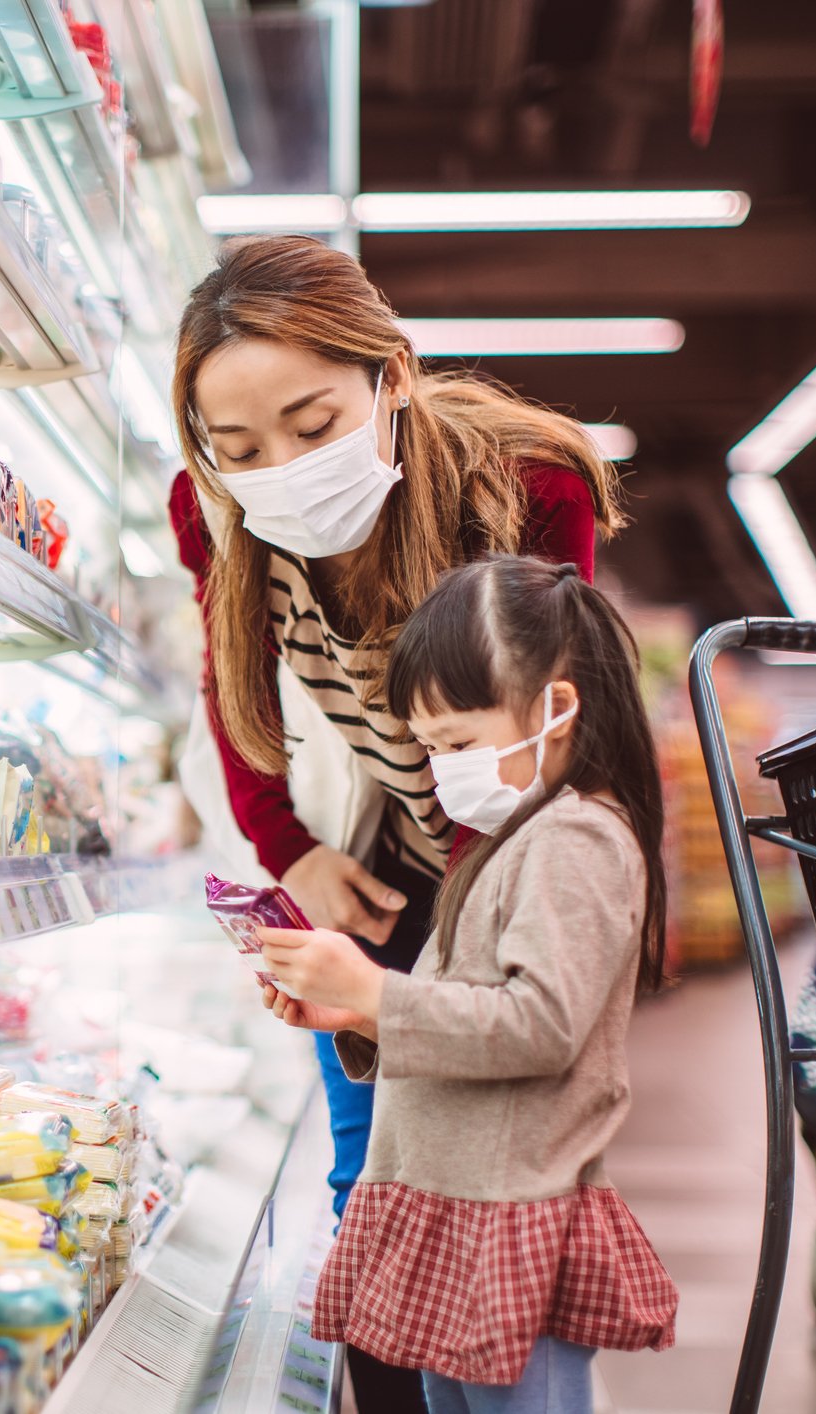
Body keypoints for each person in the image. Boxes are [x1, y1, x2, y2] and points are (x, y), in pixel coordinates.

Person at [169, 237, 623, 1243]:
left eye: (314, 424)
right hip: (386, 863)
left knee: (481, 1192)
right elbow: (232, 687)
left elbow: (542, 750)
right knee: (365, 1195)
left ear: (394, 377)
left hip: (505, 859)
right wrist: (291, 851)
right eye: (238, 449)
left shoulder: (523, 490)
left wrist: (438, 990)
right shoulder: (206, 510)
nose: (277, 470)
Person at [255, 555, 679, 1414]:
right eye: (430, 746)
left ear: (556, 710)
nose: (441, 769)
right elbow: (470, 1012)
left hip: (509, 1217)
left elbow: (538, 1025)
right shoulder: (509, 839)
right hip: (459, 1213)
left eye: (457, 743)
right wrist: (357, 1016)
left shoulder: (577, 840)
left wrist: (379, 992)